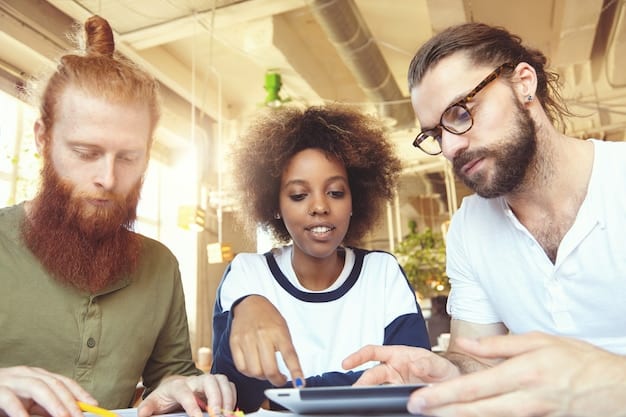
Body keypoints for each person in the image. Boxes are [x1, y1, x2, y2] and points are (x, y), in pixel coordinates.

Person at [341, 21, 626, 416]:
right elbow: (478, 360)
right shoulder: (469, 227)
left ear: (524, 83)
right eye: (436, 134)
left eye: (461, 113)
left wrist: (607, 384)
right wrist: (442, 373)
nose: (451, 146)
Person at [0, 15, 235, 417]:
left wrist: (183, 387)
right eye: (85, 153)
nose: (108, 179)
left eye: (128, 158)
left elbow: (170, 378)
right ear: (42, 138)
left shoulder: (160, 266)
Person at [211, 104, 431, 412]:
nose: (319, 207)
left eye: (336, 193)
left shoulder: (382, 273)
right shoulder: (247, 275)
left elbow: (413, 377)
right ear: (275, 205)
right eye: (299, 195)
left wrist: (287, 396)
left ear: (355, 200)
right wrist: (245, 308)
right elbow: (233, 397)